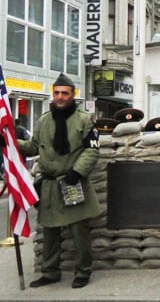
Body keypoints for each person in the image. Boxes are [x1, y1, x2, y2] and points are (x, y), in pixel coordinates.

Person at [17, 73, 100, 289]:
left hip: (73, 182)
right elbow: (34, 147)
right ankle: (50, 271)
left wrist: (77, 172)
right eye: (57, 93)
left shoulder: (85, 120)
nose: (60, 97)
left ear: (73, 95)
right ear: (52, 94)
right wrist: (10, 141)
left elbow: (92, 151)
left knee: (78, 230)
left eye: (65, 93)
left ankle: (83, 271)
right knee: (50, 231)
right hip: (50, 185)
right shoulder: (44, 120)